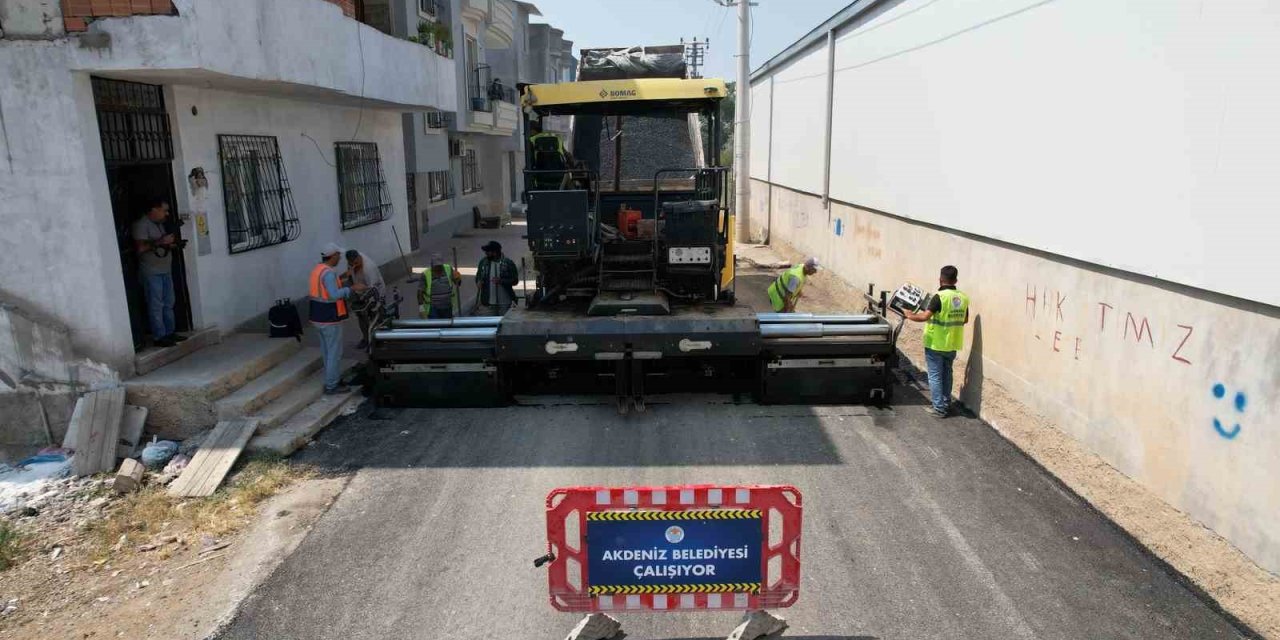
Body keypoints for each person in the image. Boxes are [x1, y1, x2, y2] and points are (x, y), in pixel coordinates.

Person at [905, 265, 971, 418]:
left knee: (935, 376)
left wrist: (909, 314)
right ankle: (946, 403)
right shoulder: (963, 298)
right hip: (952, 344)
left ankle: (939, 408)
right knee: (947, 374)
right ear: (956, 280)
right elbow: (965, 319)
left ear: (940, 279)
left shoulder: (939, 297)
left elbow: (924, 317)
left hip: (935, 343)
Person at [310, 243, 366, 395]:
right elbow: (334, 295)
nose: (340, 258)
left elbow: (324, 289)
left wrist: (342, 278)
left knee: (327, 351)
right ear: (332, 256)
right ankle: (331, 385)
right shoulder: (328, 273)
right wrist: (351, 288)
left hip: (317, 317)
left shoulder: (318, 269)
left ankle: (332, 378)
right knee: (334, 352)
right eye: (338, 255)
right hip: (329, 318)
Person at [131, 199, 186, 347]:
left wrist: (173, 245)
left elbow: (159, 245)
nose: (166, 214)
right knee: (156, 305)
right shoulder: (141, 225)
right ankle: (159, 336)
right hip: (151, 272)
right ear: (154, 209)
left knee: (168, 303)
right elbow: (140, 248)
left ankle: (170, 332)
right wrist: (161, 242)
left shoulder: (159, 225)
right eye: (164, 210)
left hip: (165, 270)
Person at [344, 249, 385, 350]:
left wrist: (364, 296)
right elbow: (350, 277)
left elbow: (373, 288)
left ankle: (379, 339)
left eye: (356, 263)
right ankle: (366, 338)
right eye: (351, 264)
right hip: (360, 291)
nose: (353, 265)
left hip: (375, 292)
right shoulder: (351, 263)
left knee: (375, 316)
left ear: (359, 258)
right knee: (361, 315)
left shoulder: (368, 268)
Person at [475, 241, 518, 316]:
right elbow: (478, 276)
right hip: (489, 303)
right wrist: (478, 281)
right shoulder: (483, 263)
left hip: (505, 302)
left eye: (488, 251)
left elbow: (515, 280)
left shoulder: (508, 263)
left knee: (503, 322)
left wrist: (501, 281)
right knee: (490, 322)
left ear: (495, 252)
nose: (486, 253)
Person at [419, 253, 461, 319]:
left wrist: (458, 278)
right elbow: (420, 292)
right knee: (436, 324)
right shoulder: (425, 274)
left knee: (447, 324)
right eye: (436, 266)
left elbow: (458, 283)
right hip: (433, 308)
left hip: (447, 306)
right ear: (432, 265)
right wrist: (421, 307)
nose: (438, 267)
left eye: (439, 265)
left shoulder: (448, 269)